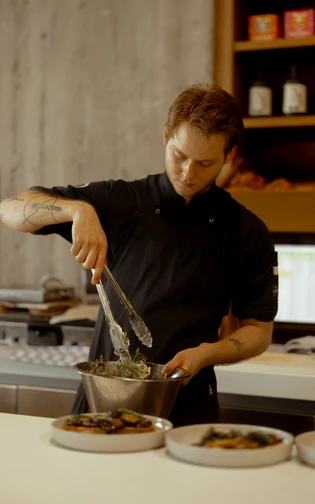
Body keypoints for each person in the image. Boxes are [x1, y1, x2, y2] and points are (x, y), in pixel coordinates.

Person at [0, 84, 278, 426]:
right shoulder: (122, 202)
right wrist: (76, 211)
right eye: (179, 155)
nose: (188, 173)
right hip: (102, 406)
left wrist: (206, 354)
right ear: (165, 137)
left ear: (229, 155)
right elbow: (10, 210)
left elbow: (259, 331)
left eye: (205, 163)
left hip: (186, 409)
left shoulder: (247, 232)